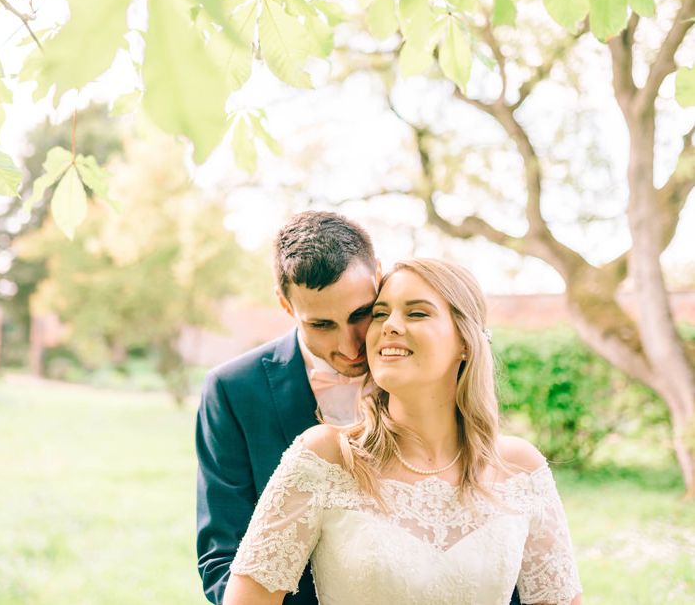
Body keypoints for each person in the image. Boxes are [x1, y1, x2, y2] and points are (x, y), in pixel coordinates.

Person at [224, 258, 583, 605]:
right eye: (380, 313)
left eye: (417, 312)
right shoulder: (324, 457)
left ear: (465, 342)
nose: (390, 325)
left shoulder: (521, 469)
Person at [196, 211, 381, 605]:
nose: (350, 347)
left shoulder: (426, 370)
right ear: (285, 304)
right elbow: (222, 560)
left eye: (360, 315)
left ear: (378, 276)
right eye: (322, 325)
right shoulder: (232, 390)